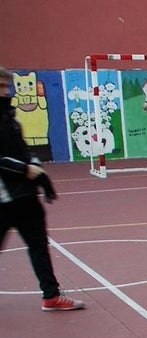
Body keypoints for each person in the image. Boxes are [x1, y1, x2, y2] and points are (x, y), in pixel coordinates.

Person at [0, 67, 84, 312]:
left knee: (38, 245)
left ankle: (51, 295)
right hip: (4, 199)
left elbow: (24, 152)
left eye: (6, 86)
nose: (5, 91)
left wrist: (38, 173)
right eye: (0, 87)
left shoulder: (11, 119)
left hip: (25, 196)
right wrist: (25, 170)